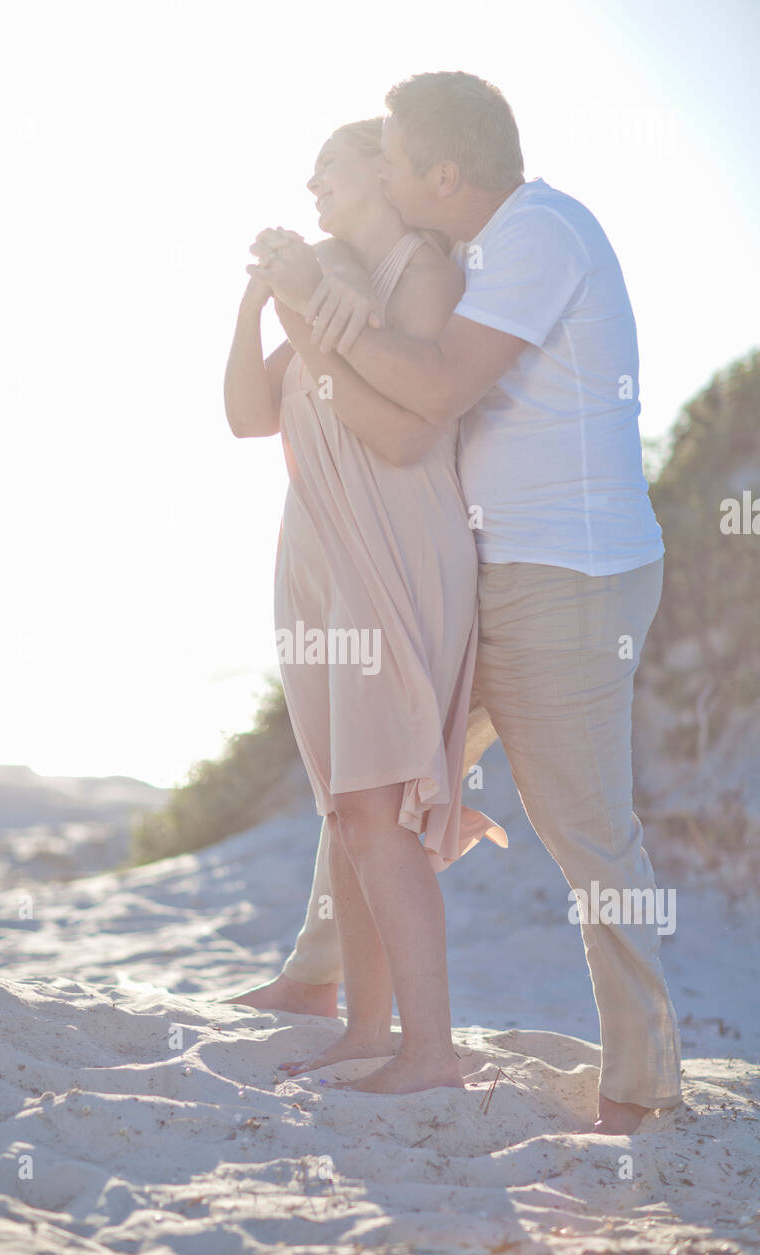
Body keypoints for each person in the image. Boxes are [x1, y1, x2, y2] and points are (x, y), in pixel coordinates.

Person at [234, 72, 682, 1135]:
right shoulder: (474, 252)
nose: (378, 174)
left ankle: (643, 1076)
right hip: (484, 568)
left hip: (561, 579)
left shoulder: (537, 235)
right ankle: (313, 975)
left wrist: (310, 311)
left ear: (442, 174)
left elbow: (432, 388)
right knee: (376, 770)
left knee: (585, 829)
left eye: (388, 159)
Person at [224, 118, 506, 1095]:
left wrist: (303, 300)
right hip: (317, 557)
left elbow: (393, 427)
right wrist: (259, 300)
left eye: (328, 170)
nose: (309, 185)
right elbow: (245, 415)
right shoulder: (320, 285)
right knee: (346, 806)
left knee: (380, 805)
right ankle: (365, 1029)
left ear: (382, 175)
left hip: (390, 547)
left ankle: (428, 1049)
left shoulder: (419, 275)